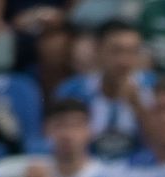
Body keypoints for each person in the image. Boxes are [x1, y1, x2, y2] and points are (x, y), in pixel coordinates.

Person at [58, 19, 154, 162]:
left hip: (137, 171)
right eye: (116, 51)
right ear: (97, 50)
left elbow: (163, 146)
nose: (124, 61)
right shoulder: (74, 90)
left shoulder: (153, 87)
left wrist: (138, 106)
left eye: (132, 52)